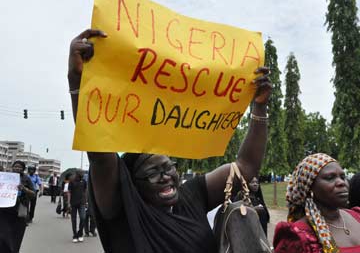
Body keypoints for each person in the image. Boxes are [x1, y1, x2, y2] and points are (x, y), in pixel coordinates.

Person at [67, 29, 272, 252]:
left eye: (168, 168)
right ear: (132, 183)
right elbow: (99, 154)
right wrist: (76, 81)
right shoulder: (124, 210)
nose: (165, 176)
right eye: (153, 172)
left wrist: (259, 107)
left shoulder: (191, 196)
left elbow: (246, 167)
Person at [273, 153, 360, 253]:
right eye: (330, 177)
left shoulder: (357, 215)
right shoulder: (299, 236)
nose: (341, 182)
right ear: (309, 188)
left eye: (342, 177)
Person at [0, 161, 35, 253]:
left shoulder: (27, 179)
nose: (17, 168)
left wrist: (24, 189)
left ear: (23, 169)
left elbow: (33, 195)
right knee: (3, 236)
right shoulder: (5, 177)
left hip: (19, 212)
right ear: (12, 167)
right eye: (15, 166)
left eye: (20, 167)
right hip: (4, 212)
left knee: (16, 237)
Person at [68, 170, 87, 243]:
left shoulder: (84, 181)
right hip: (73, 203)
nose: (82, 175)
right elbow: (69, 192)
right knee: (74, 219)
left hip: (82, 202)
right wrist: (69, 203)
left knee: (83, 217)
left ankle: (80, 233)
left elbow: (85, 191)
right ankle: (75, 235)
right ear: (77, 174)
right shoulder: (72, 181)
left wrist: (86, 201)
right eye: (81, 174)